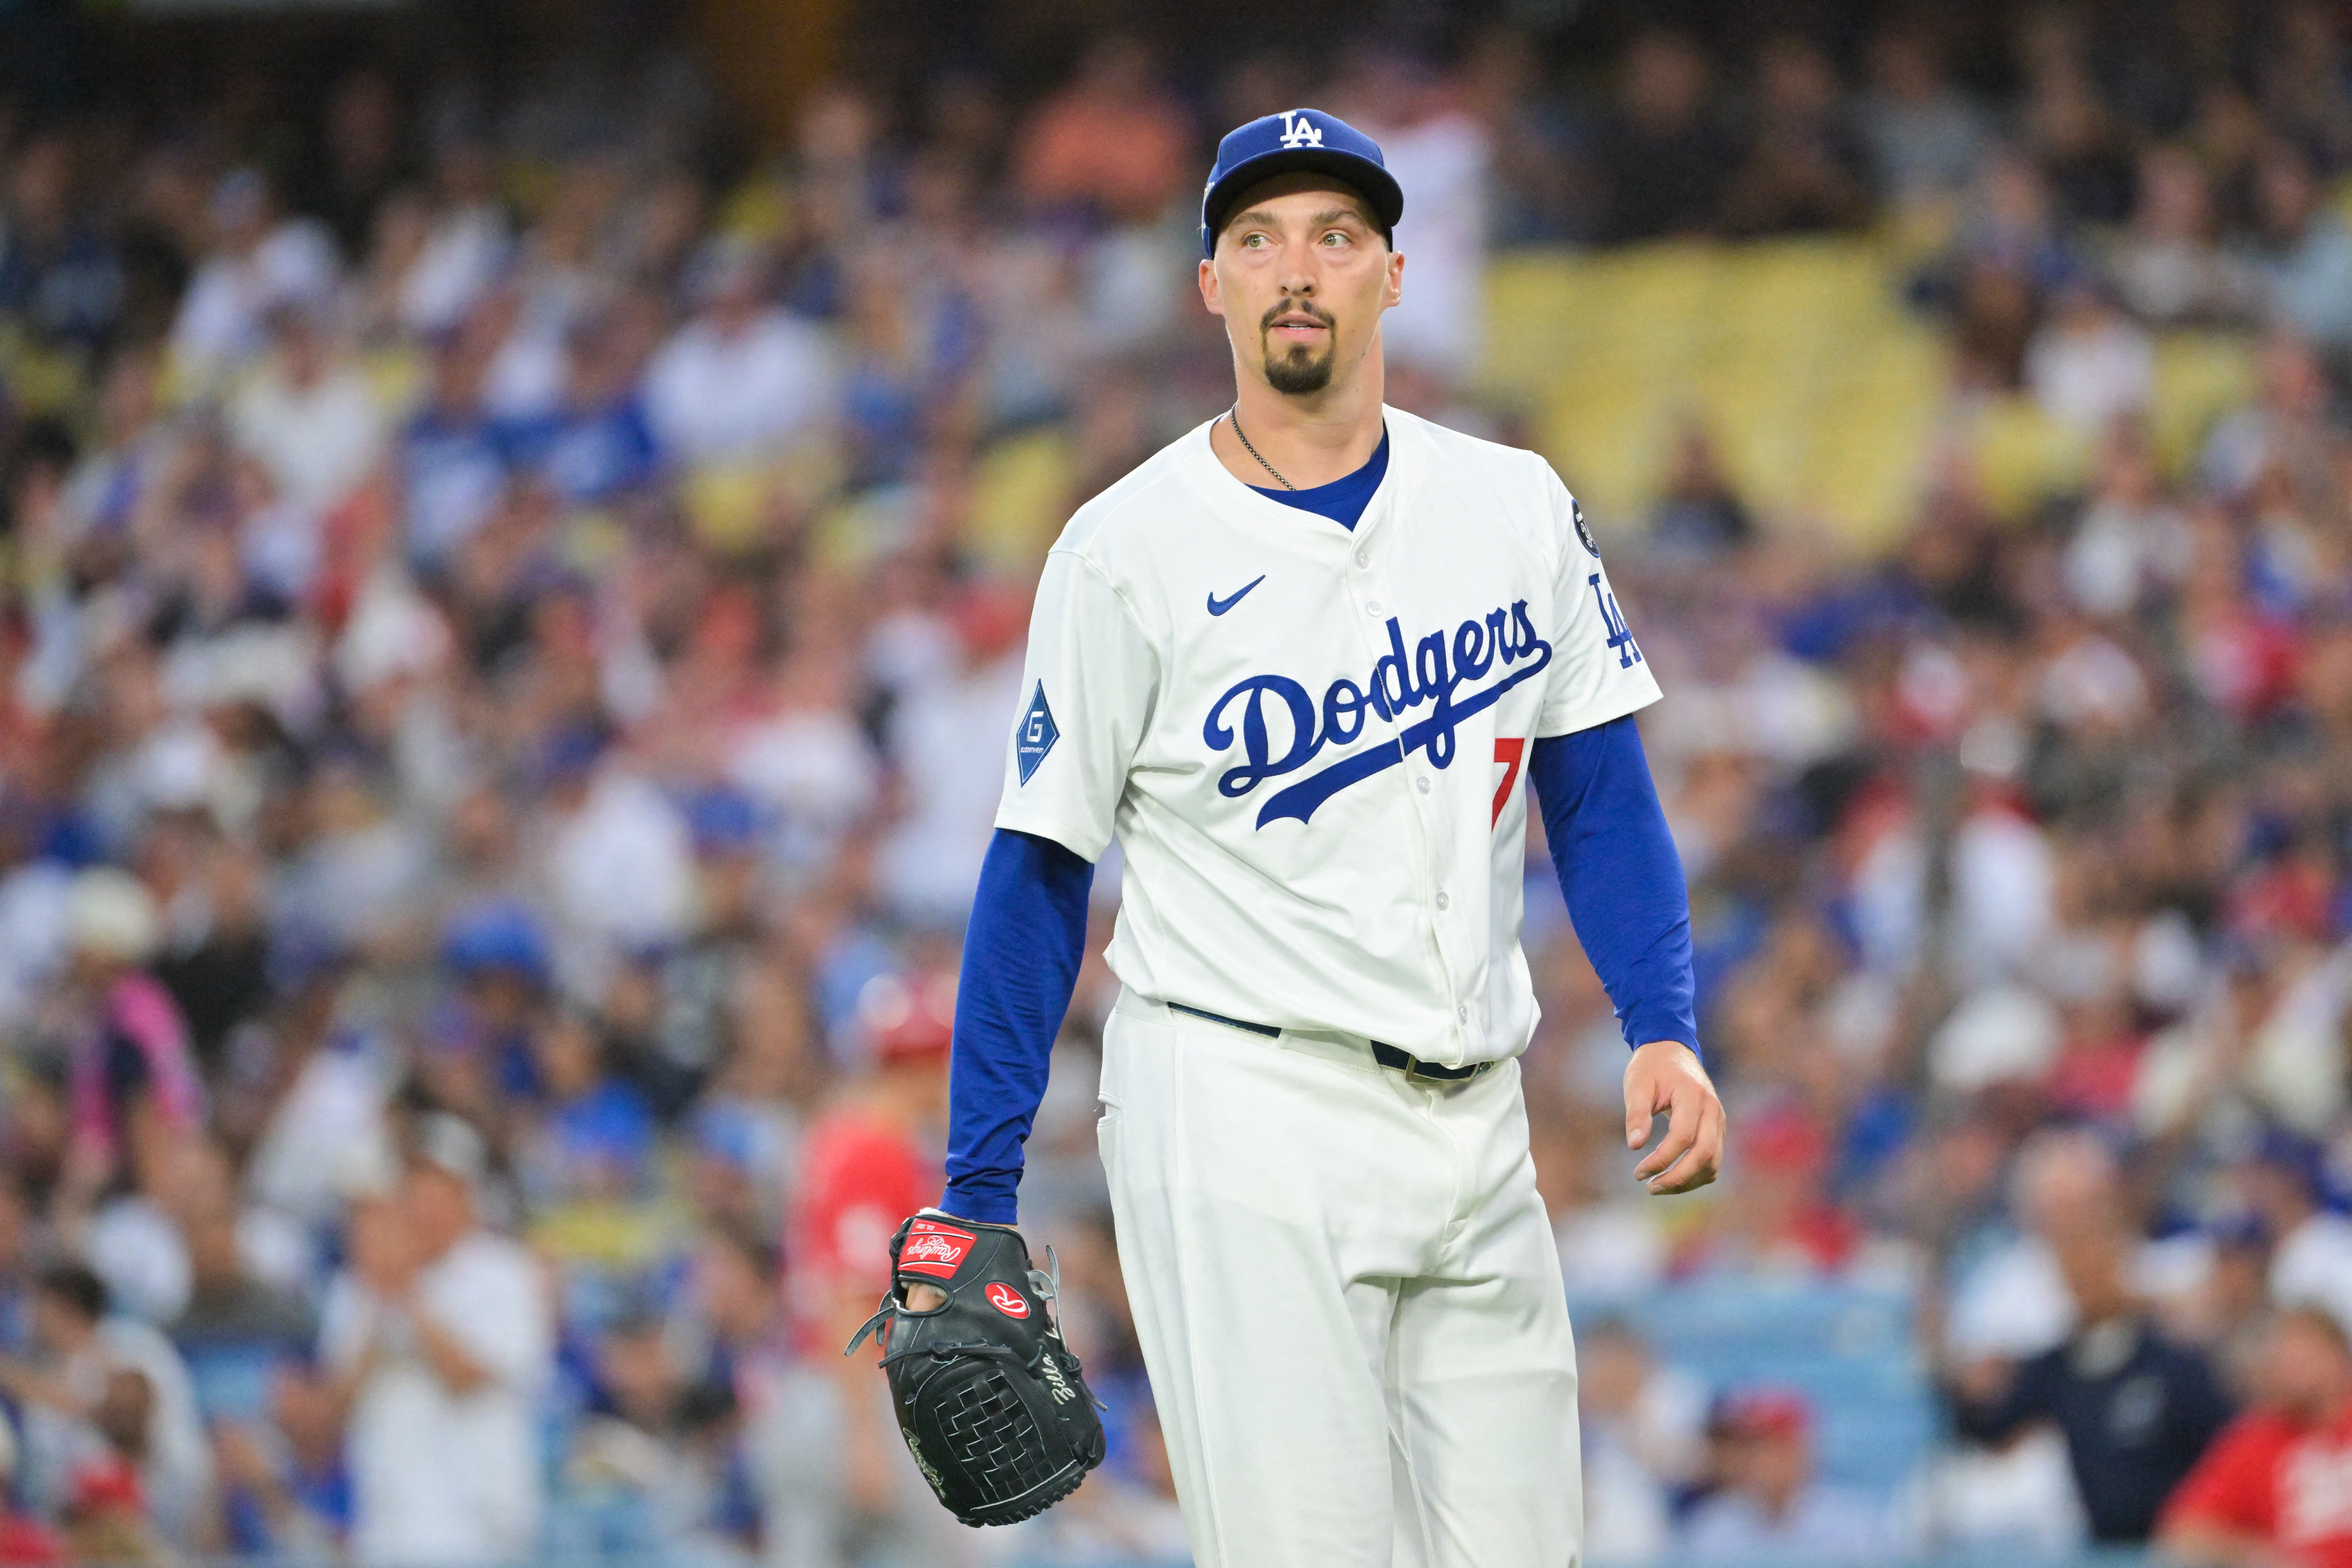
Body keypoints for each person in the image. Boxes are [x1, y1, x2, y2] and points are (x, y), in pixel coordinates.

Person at [907, 108, 1720, 1566]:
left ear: (1391, 275)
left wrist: (1661, 1019)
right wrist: (976, 1190)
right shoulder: (1122, 546)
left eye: (1335, 235)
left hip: (1477, 1116)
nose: (1297, 267)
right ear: (1206, 284)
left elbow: (1594, 790)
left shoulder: (1507, 502)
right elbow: (1038, 868)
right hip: (1236, 1107)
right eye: (1257, 237)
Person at [319, 1113, 552, 1567]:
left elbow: (467, 1378)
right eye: (413, 1186)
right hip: (388, 1521)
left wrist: (407, 1295)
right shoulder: (357, 1286)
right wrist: (380, 1296)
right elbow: (338, 1399)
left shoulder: (504, 1273)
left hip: (481, 1520)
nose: (421, 1202)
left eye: (435, 1186)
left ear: (464, 1193)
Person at [1947, 1190, 2234, 1542]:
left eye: (2094, 1262)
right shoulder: (2055, 1368)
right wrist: (1963, 1385)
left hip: (2176, 1548)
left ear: (2118, 1263)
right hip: (2102, 1547)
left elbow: (2224, 1443)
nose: (2085, 1279)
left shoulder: (2172, 1360)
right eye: (2073, 1266)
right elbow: (1988, 1428)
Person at [2159, 1306, 2352, 1566]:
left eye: (2302, 1356)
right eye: (2280, 1360)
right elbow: (2184, 1532)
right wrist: (2265, 1558)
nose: (2290, 1370)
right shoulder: (2255, 1440)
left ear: (2337, 1354)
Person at [1679, 1389, 1891, 1562]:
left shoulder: (1853, 1524)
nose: (1762, 1460)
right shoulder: (1717, 1525)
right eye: (1753, 1448)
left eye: (1776, 1447)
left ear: (1802, 1451)